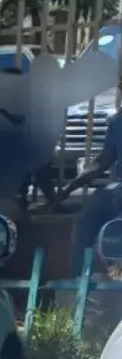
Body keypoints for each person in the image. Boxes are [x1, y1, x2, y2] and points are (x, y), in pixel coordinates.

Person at [71, 109, 122, 274]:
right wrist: (69, 187)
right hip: (118, 189)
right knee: (86, 218)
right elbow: (103, 161)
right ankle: (80, 279)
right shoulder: (117, 122)